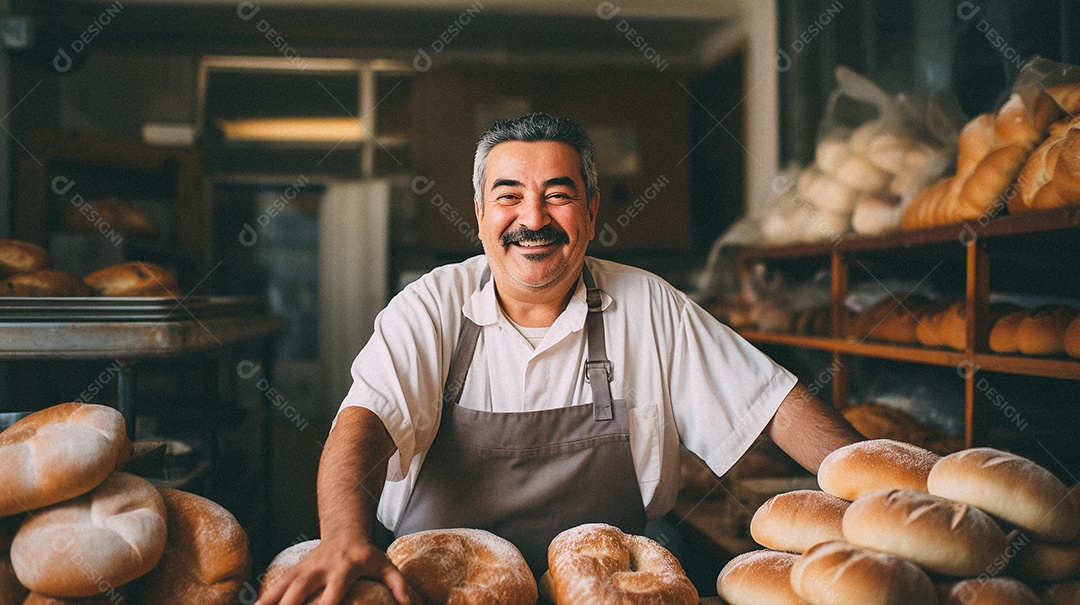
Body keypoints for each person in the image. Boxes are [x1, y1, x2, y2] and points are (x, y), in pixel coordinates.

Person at [255, 112, 863, 605]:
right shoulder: (431, 305)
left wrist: (872, 497)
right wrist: (341, 537)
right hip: (439, 588)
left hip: (609, 586)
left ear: (592, 212)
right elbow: (364, 423)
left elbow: (776, 405)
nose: (533, 218)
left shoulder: (648, 304)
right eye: (510, 195)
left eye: (558, 195)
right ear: (480, 214)